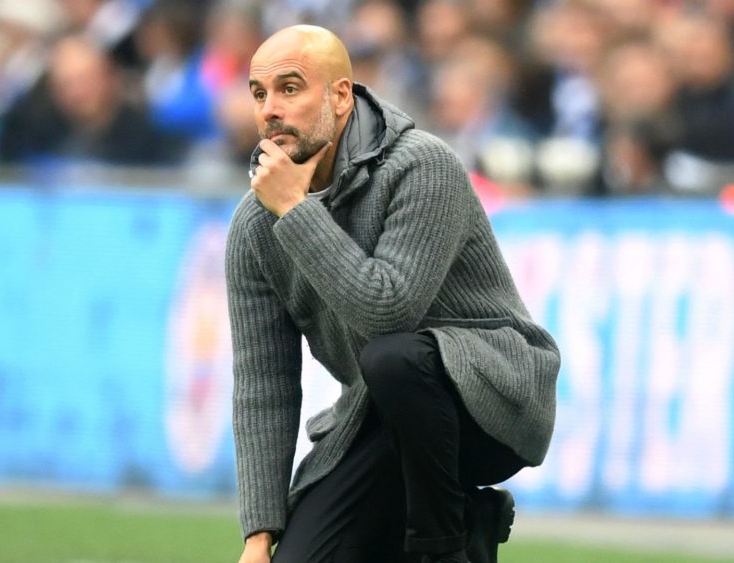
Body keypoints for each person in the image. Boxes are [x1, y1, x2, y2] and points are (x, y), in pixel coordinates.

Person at [226, 25, 560, 563]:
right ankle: (470, 518)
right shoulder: (254, 224)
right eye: (259, 94)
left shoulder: (422, 165)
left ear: (340, 96)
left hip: (492, 403)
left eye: (290, 88)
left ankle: (443, 547)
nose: (270, 109)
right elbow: (264, 382)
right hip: (381, 414)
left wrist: (295, 210)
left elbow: (388, 312)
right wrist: (258, 536)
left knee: (394, 357)